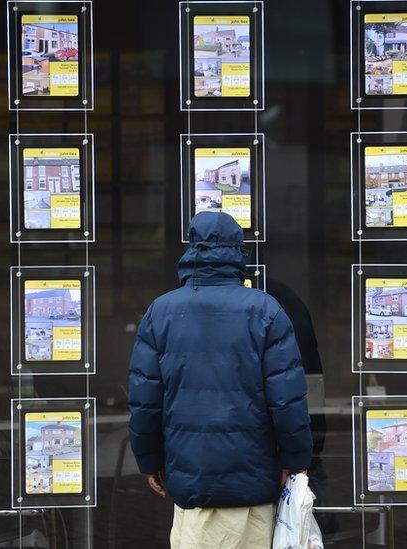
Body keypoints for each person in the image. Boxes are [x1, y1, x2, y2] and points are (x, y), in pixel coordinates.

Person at [128, 211, 313, 549]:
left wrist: (150, 461)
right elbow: (287, 401)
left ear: (191, 248)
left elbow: (145, 402)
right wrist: (295, 461)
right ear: (240, 251)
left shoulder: (161, 312)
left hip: (191, 484)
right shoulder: (266, 310)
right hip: (253, 483)